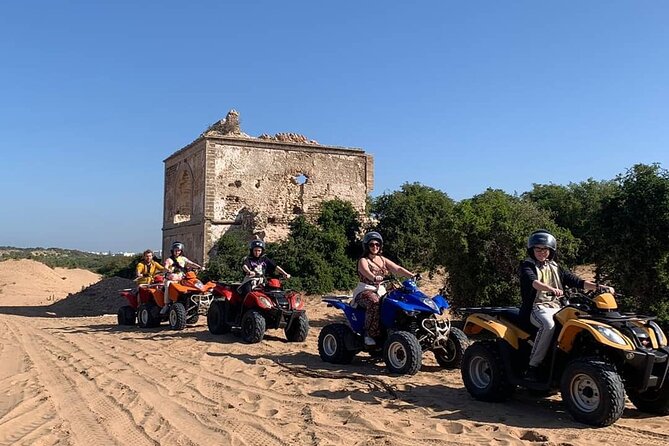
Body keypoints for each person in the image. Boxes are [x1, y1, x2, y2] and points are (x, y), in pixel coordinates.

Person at [520, 229, 614, 380]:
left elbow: (578, 282)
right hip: (537, 308)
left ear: (551, 251)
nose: (541, 252)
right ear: (532, 250)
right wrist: (550, 289)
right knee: (548, 326)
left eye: (545, 249)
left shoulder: (556, 267)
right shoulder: (527, 265)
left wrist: (599, 287)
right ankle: (533, 366)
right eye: (537, 249)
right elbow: (533, 282)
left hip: (558, 307)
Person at [353, 231, 416, 346]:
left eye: (377, 244)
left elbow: (397, 269)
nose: (375, 247)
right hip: (365, 289)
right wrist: (374, 277)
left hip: (381, 289)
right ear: (367, 246)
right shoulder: (363, 260)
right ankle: (369, 333)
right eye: (372, 244)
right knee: (374, 302)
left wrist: (412, 276)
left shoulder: (382, 259)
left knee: (399, 298)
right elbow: (366, 272)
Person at [162, 241, 203, 313]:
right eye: (176, 250)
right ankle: (166, 304)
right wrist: (168, 270)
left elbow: (191, 264)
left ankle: (194, 300)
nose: (177, 252)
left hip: (183, 278)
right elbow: (165, 266)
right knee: (168, 284)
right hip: (172, 279)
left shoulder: (183, 259)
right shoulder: (169, 260)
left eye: (179, 250)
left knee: (194, 283)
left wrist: (199, 267)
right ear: (173, 251)